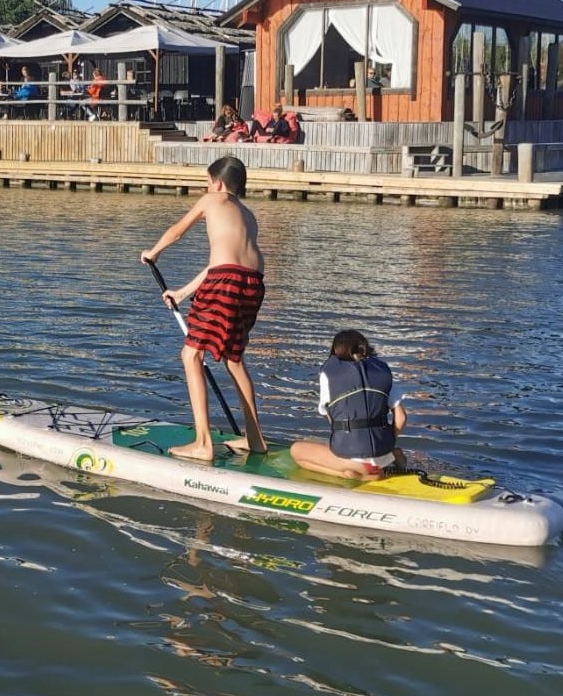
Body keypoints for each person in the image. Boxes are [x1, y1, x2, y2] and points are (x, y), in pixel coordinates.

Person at [140, 156, 268, 461]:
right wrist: (183, 293)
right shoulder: (248, 215)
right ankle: (255, 439)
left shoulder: (212, 199)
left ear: (218, 183)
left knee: (191, 354)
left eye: (208, 182)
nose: (208, 187)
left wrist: (153, 252)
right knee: (234, 358)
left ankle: (203, 443)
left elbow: (177, 230)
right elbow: (223, 264)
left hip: (226, 280)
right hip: (253, 283)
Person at [289, 329, 407, 479]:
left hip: (353, 456)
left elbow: (332, 418)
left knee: (297, 451)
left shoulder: (329, 374)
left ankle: (356, 474)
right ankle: (389, 457)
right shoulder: (383, 371)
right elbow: (401, 419)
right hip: (384, 449)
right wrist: (387, 439)